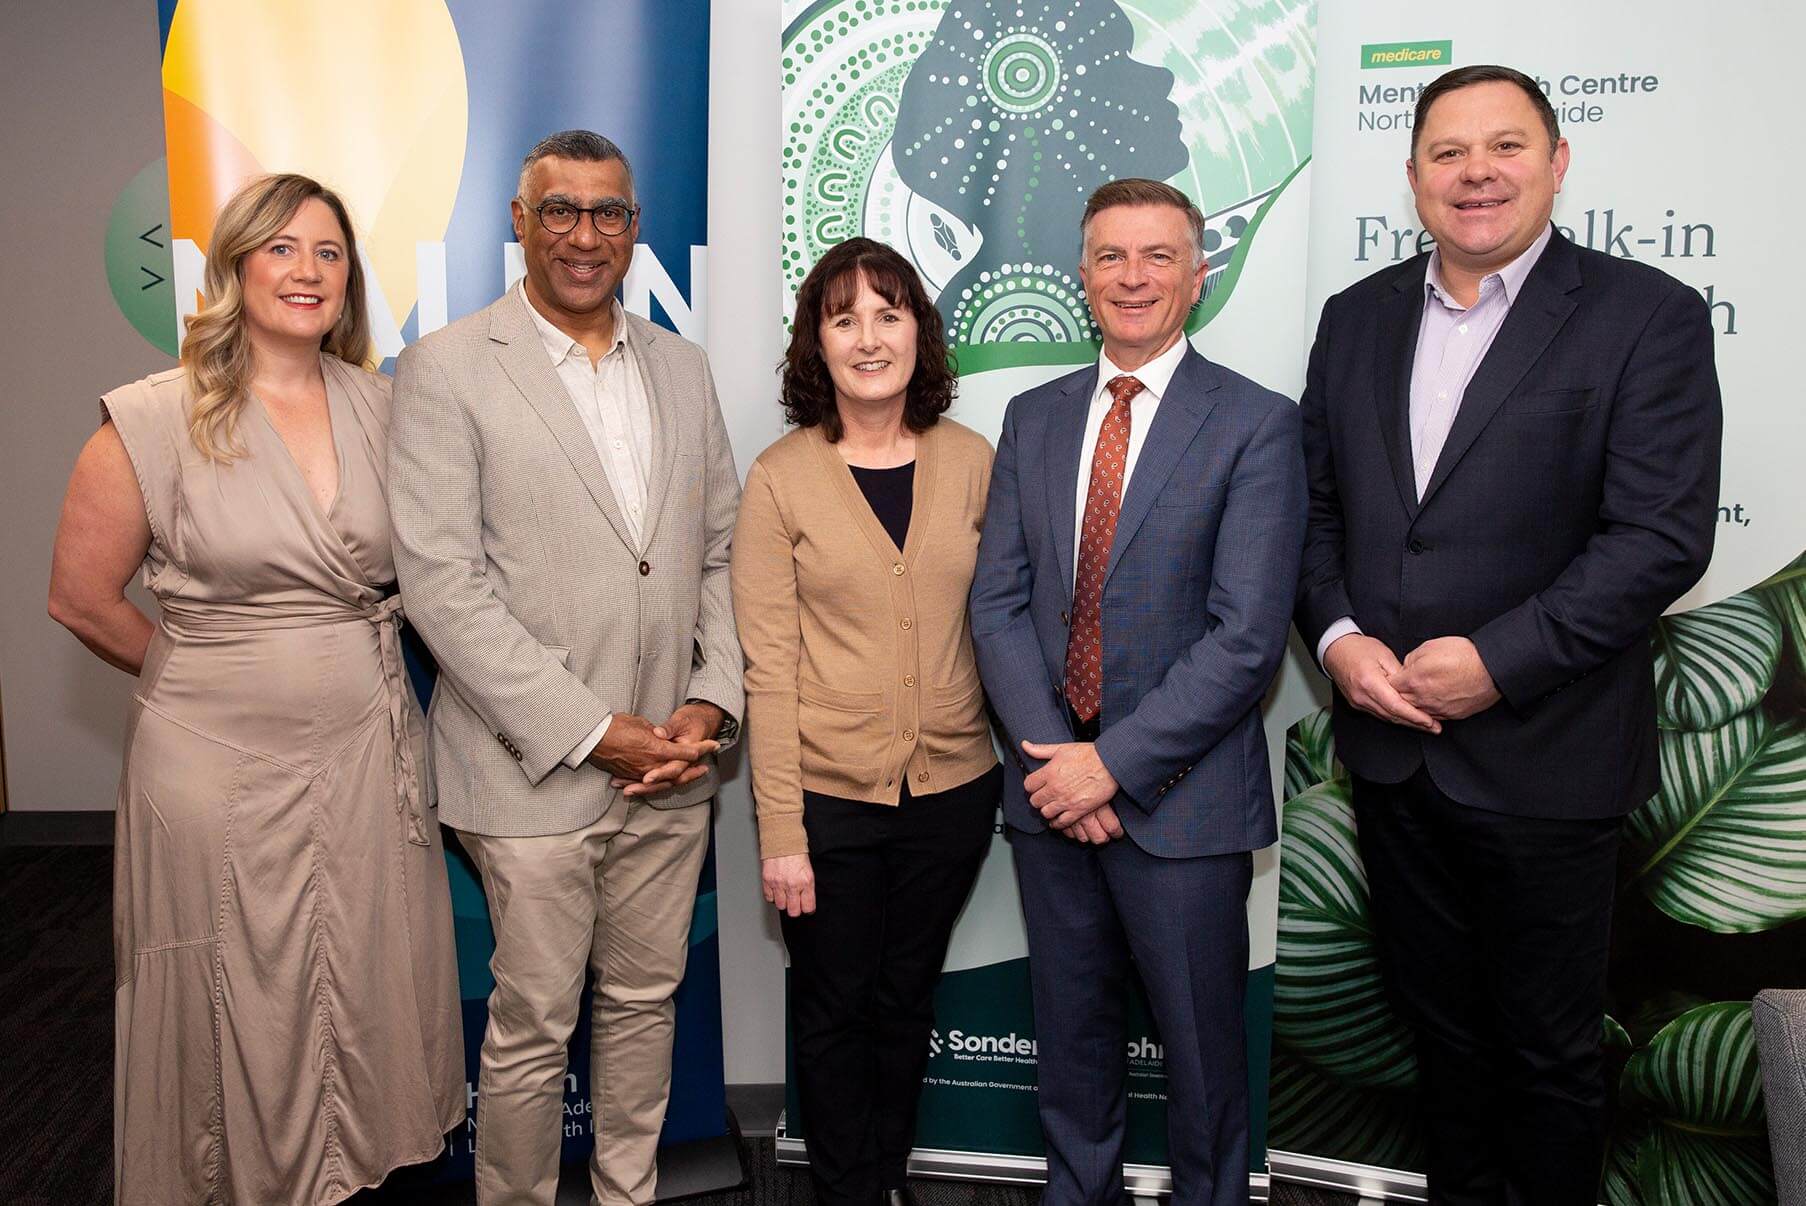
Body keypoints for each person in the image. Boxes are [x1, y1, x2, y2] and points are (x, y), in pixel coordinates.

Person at [1294, 65, 1721, 1204]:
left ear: (1557, 162)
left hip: (1549, 759)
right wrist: (1336, 637)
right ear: (1414, 174)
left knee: (1546, 1059)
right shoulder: (1357, 318)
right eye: (1448, 152)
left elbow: (1659, 539)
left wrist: (1498, 661)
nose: (1476, 172)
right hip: (1393, 762)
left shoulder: (1646, 317)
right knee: (1445, 1051)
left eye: (1506, 146)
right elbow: (1317, 509)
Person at [47, 173, 464, 1204]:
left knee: (363, 983)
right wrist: (199, 687)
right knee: (236, 991)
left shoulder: (389, 406)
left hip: (367, 754)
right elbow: (82, 600)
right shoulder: (148, 420)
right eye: (281, 249)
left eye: (328, 253)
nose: (307, 272)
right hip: (209, 772)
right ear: (235, 266)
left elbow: (449, 571)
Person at [387, 130, 743, 1206]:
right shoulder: (447, 368)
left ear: (634, 227)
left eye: (609, 214)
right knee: (533, 1025)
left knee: (644, 1003)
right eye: (562, 211)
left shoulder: (681, 367)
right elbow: (442, 588)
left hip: (674, 767)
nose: (586, 236)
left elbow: (719, 550)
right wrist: (599, 731)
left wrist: (710, 701)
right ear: (520, 220)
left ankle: (628, 1194)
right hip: (528, 768)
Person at [969, 178, 1306, 1206]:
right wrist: (1052, 766)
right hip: (1048, 800)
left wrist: (1108, 767)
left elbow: (1246, 640)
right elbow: (1000, 605)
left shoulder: (1257, 424)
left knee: (1205, 1064)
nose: (1133, 277)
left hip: (1184, 804)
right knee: (1070, 1051)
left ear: (1197, 277)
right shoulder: (1032, 418)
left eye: (1159, 256)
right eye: (1111, 256)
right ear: (1081, 275)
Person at [732, 237, 1002, 1206]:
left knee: (904, 999)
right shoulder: (778, 481)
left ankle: (884, 1178)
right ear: (817, 342)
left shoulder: (973, 464)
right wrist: (781, 833)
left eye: (888, 313)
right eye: (843, 318)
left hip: (954, 795)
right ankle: (847, 1190)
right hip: (827, 803)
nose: (868, 337)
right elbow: (768, 669)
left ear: (918, 333)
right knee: (835, 1009)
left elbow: (1007, 622)